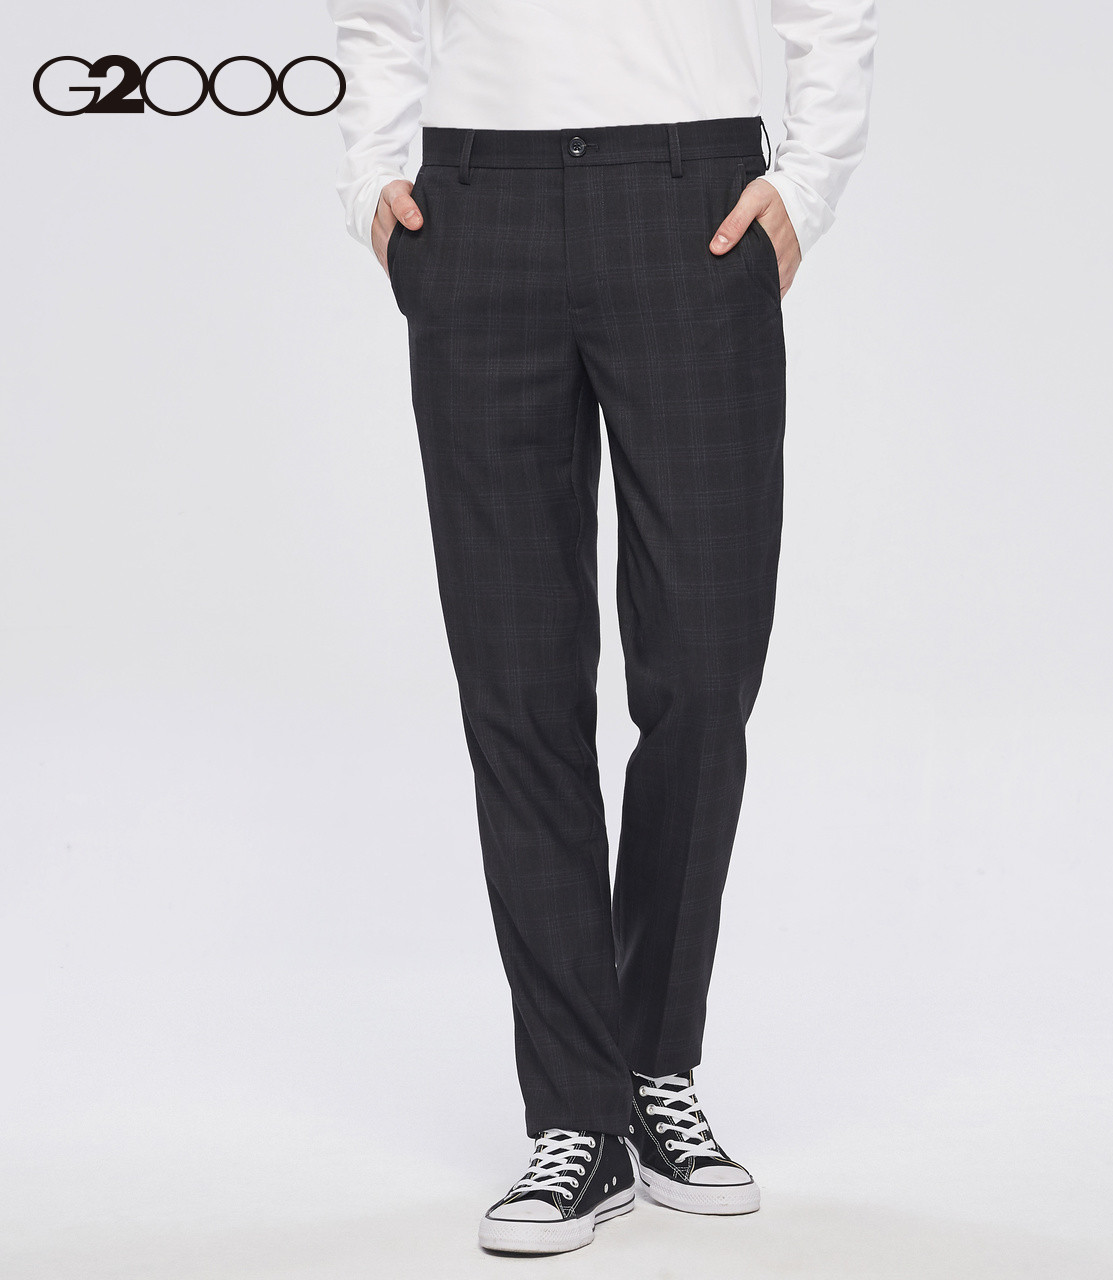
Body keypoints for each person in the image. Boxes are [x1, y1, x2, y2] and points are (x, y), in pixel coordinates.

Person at [326, 0, 876, 1254]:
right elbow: (375, 14)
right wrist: (369, 182)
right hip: (479, 200)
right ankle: (575, 1112)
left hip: (692, 198)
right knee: (515, 682)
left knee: (703, 667)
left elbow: (829, 12)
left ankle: (650, 1061)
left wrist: (807, 183)